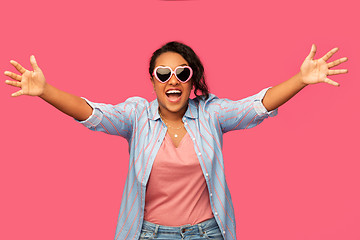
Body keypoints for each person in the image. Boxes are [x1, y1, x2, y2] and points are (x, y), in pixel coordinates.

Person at [4, 41, 348, 240]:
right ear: (153, 81)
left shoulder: (211, 114)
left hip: (208, 233)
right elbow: (93, 114)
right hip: (149, 235)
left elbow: (256, 106)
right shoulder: (137, 115)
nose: (173, 80)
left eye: (182, 73)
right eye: (163, 73)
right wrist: (45, 91)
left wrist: (301, 80)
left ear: (191, 79)